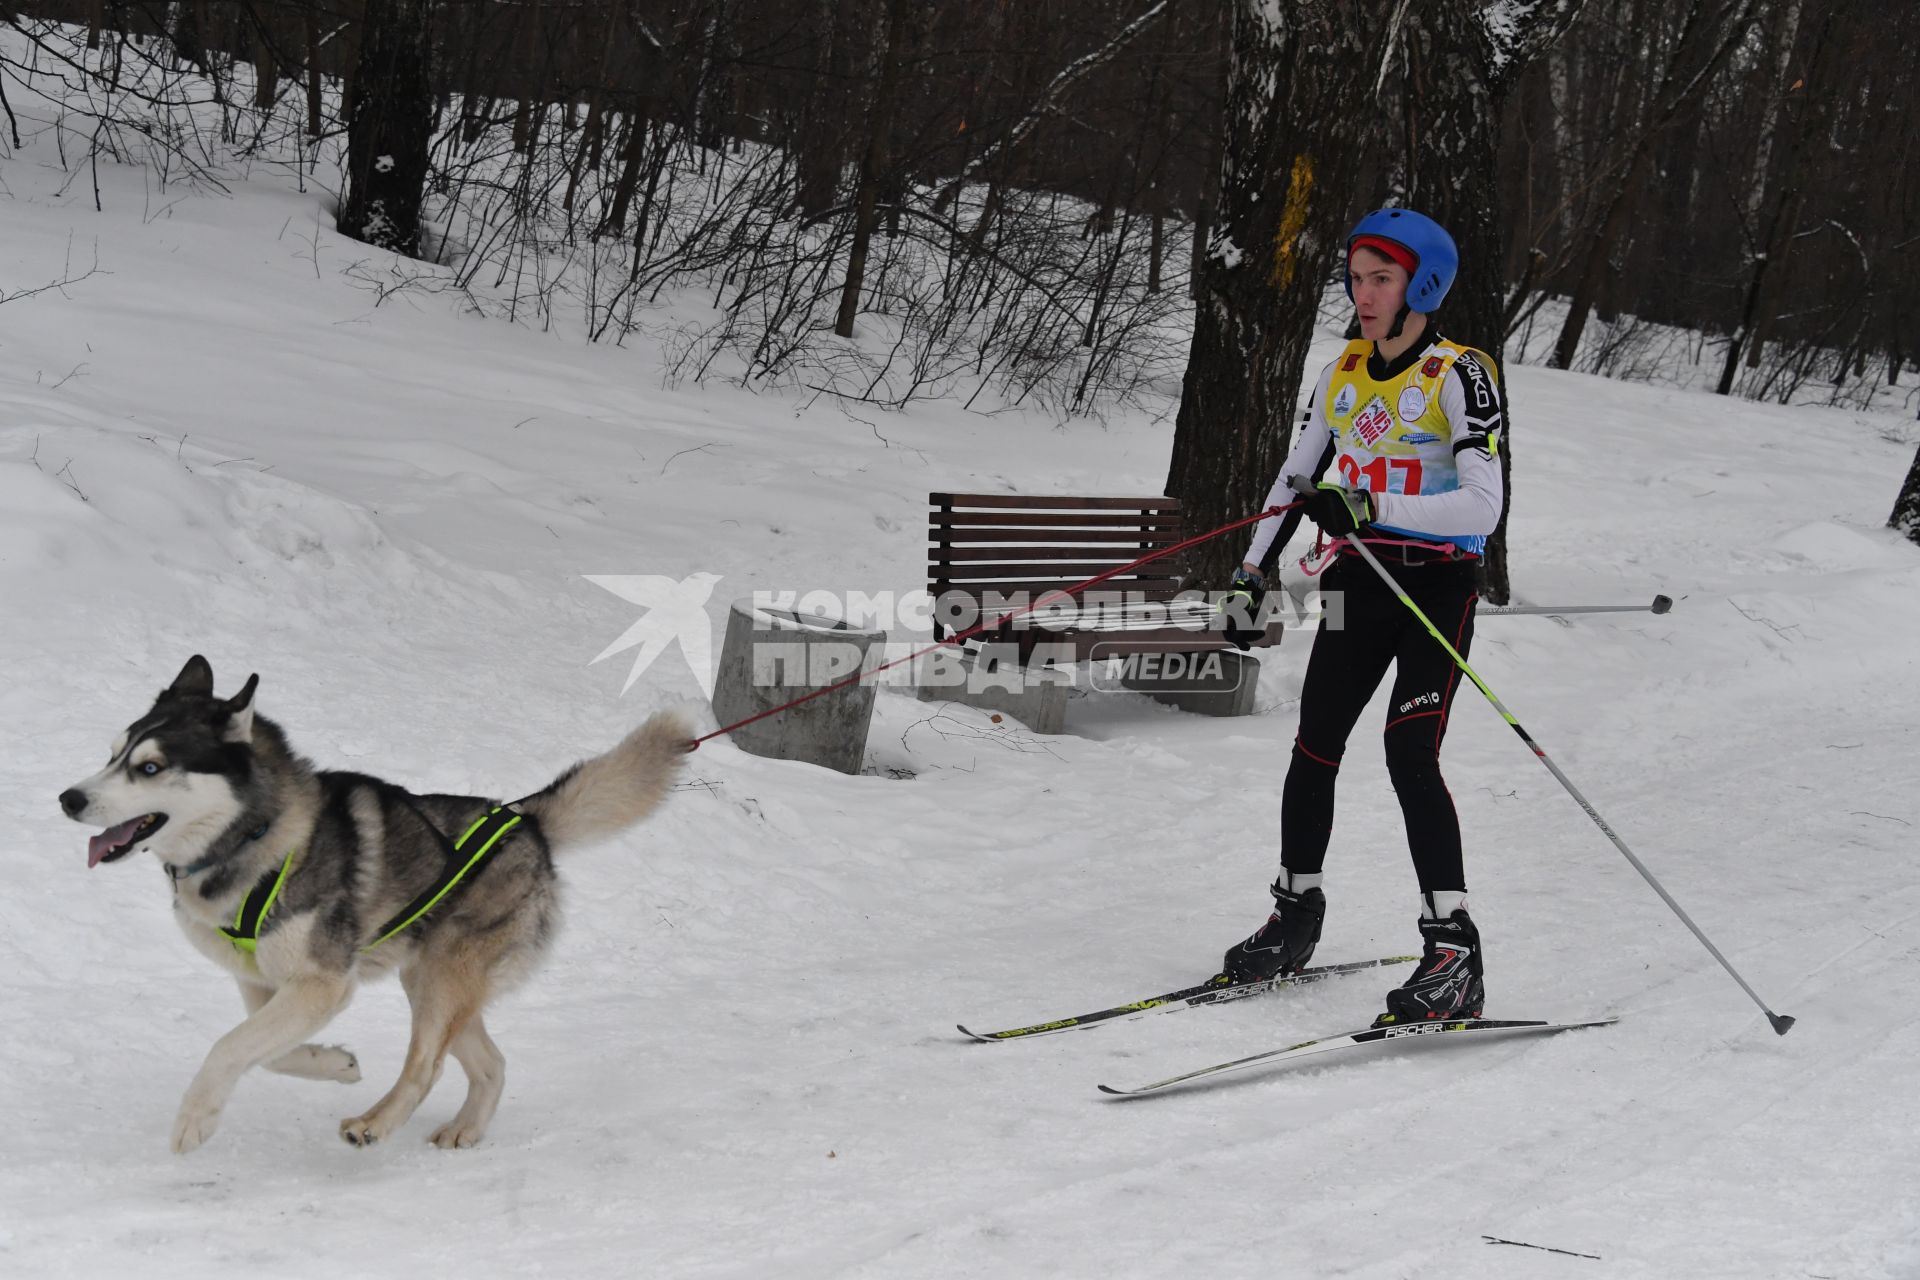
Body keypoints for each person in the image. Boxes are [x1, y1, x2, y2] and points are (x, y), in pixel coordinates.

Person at [1217, 207, 1506, 1025]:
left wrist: (1373, 499)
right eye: (1356, 276)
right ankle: (1295, 913)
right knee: (1315, 745)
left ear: (1424, 284)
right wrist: (1249, 571)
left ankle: (1453, 950)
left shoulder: (1459, 373)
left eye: (1381, 278)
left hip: (1436, 590)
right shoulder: (1340, 371)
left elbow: (1483, 504)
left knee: (1410, 753)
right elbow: (1295, 476)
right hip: (1361, 583)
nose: (1363, 292)